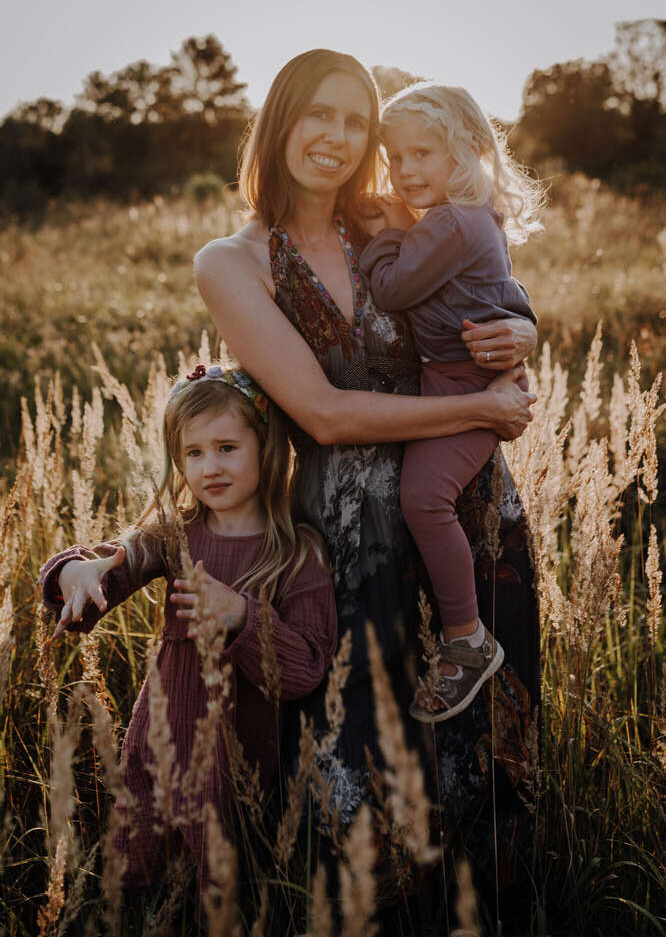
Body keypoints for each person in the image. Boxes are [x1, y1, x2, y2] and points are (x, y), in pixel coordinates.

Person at [194, 49, 539, 850]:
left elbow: (485, 278)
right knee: (359, 789)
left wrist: (524, 329)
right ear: (281, 120)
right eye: (320, 113)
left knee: (481, 777)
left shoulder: (389, 218)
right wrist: (483, 407)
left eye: (357, 121)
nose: (339, 136)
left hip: (465, 509)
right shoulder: (233, 261)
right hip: (346, 546)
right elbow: (324, 415)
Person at [39, 366, 337, 889]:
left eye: (227, 447)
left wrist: (241, 616)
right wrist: (73, 572)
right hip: (156, 749)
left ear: (266, 447)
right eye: (193, 453)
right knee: (140, 883)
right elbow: (108, 568)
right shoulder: (174, 536)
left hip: (237, 769)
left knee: (219, 895)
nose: (209, 467)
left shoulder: (295, 552)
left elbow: (308, 667)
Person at [360, 83, 542, 724]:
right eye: (396, 156)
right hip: (459, 380)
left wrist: (384, 235)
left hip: (467, 388)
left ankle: (466, 639)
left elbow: (391, 289)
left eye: (423, 154)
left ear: (464, 151)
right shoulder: (474, 216)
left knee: (423, 499)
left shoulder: (448, 222)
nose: (406, 171)